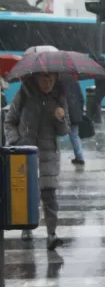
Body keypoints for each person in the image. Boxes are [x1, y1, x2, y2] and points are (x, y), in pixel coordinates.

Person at [4, 72, 70, 250]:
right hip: (25, 155)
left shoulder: (58, 98)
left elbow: (64, 131)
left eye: (51, 80)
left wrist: (61, 118)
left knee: (49, 196)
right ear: (36, 79)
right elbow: (9, 122)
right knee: (26, 195)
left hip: (49, 155)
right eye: (44, 80)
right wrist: (17, 142)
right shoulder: (24, 94)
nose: (47, 83)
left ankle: (51, 234)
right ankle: (26, 228)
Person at [61, 77, 86, 166]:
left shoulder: (59, 83)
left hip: (65, 111)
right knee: (74, 135)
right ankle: (80, 157)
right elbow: (81, 98)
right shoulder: (75, 82)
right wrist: (79, 111)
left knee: (53, 133)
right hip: (75, 112)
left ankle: (79, 157)